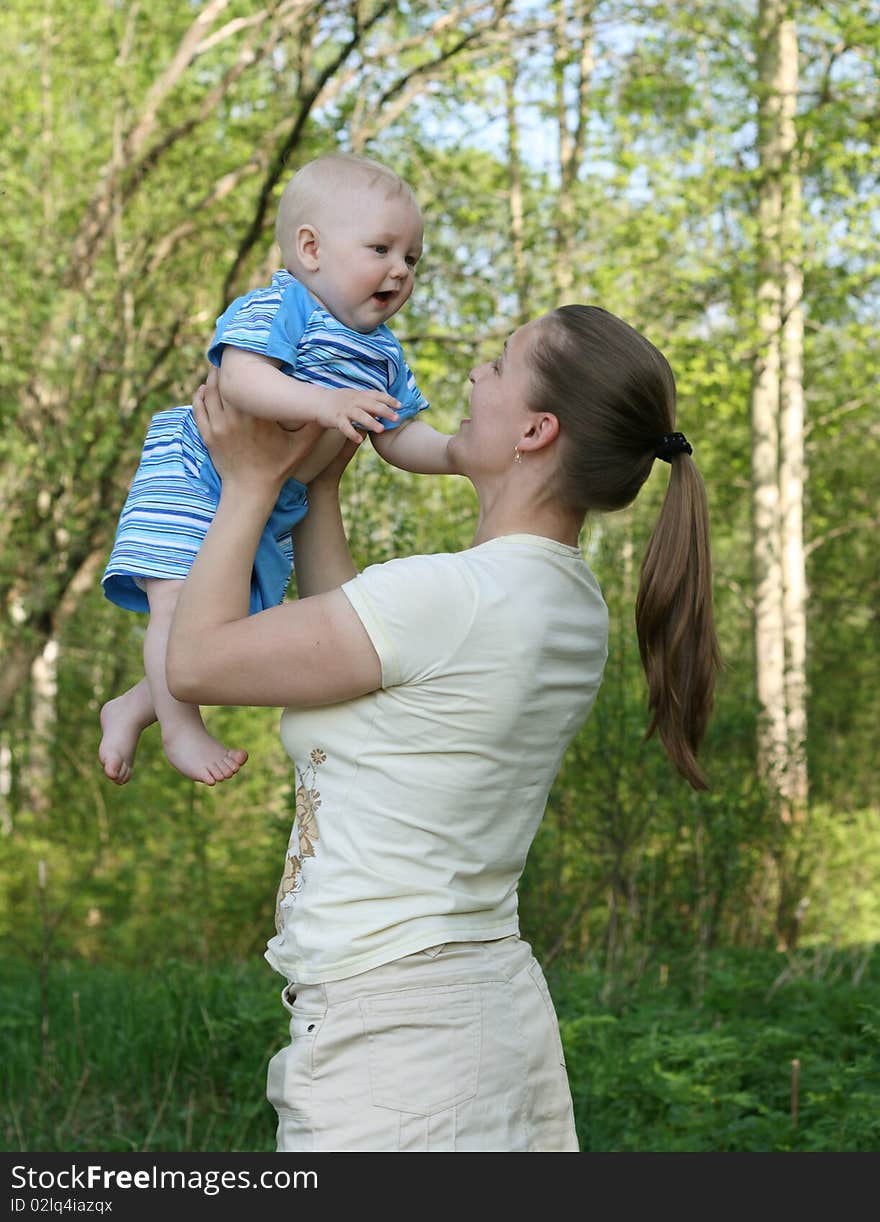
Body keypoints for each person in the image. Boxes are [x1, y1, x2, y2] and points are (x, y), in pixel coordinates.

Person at [165, 303, 720, 1152]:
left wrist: (246, 483)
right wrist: (318, 484)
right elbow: (353, 645)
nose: (472, 378)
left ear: (536, 429)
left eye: (498, 364)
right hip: (478, 1020)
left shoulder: (455, 597)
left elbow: (197, 661)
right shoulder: (563, 600)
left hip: (398, 1056)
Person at [99, 153, 453, 786]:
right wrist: (324, 403)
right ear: (311, 248)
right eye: (381, 248)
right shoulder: (283, 304)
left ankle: (133, 705)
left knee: (239, 626)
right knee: (178, 608)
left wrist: (455, 456)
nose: (399, 270)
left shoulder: (385, 353)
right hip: (195, 474)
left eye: (412, 258)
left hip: (270, 502)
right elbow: (240, 377)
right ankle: (181, 729)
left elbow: (398, 434)